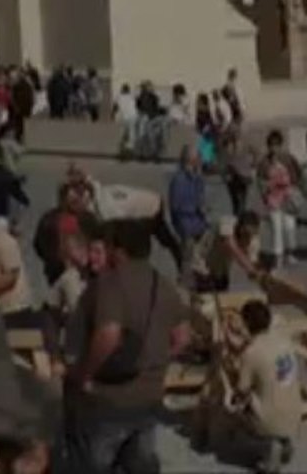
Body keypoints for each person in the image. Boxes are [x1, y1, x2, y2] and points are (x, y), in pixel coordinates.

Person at [65, 219, 191, 474]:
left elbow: (108, 334)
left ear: (118, 250)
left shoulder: (110, 284)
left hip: (109, 397)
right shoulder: (164, 285)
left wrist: (84, 375)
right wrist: (153, 362)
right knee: (141, 462)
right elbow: (182, 338)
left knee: (94, 463)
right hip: (150, 394)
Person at [233, 300, 301, 474]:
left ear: (247, 323)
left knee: (236, 406)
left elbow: (242, 389)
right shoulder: (284, 340)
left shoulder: (252, 352)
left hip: (269, 419)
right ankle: (284, 442)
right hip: (295, 412)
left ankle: (271, 448)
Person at [258, 130, 303, 268]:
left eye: (276, 145)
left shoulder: (288, 159)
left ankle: (289, 253)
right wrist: (265, 195)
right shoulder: (265, 162)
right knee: (277, 229)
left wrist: (294, 189)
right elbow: (260, 180)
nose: (274, 148)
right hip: (273, 199)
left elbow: (298, 174)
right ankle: (278, 257)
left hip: (288, 198)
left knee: (289, 227)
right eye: (271, 145)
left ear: (281, 145)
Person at [189, 212, 262, 293]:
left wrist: (261, 277)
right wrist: (251, 269)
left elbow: (253, 263)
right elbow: (230, 244)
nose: (248, 237)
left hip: (221, 271)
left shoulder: (254, 240)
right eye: (246, 233)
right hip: (202, 264)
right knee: (205, 299)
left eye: (252, 234)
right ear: (239, 226)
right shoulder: (227, 223)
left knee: (222, 298)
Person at [167, 144, 209, 285]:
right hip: (185, 221)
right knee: (188, 252)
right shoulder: (178, 180)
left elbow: (201, 198)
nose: (200, 161)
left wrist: (203, 209)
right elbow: (176, 206)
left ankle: (197, 275)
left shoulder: (198, 179)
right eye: (198, 158)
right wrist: (196, 208)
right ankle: (184, 279)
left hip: (197, 220)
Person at [33, 182, 87, 285]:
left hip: (54, 270)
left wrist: (49, 260)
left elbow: (37, 245)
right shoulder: (79, 219)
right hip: (72, 271)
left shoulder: (47, 217)